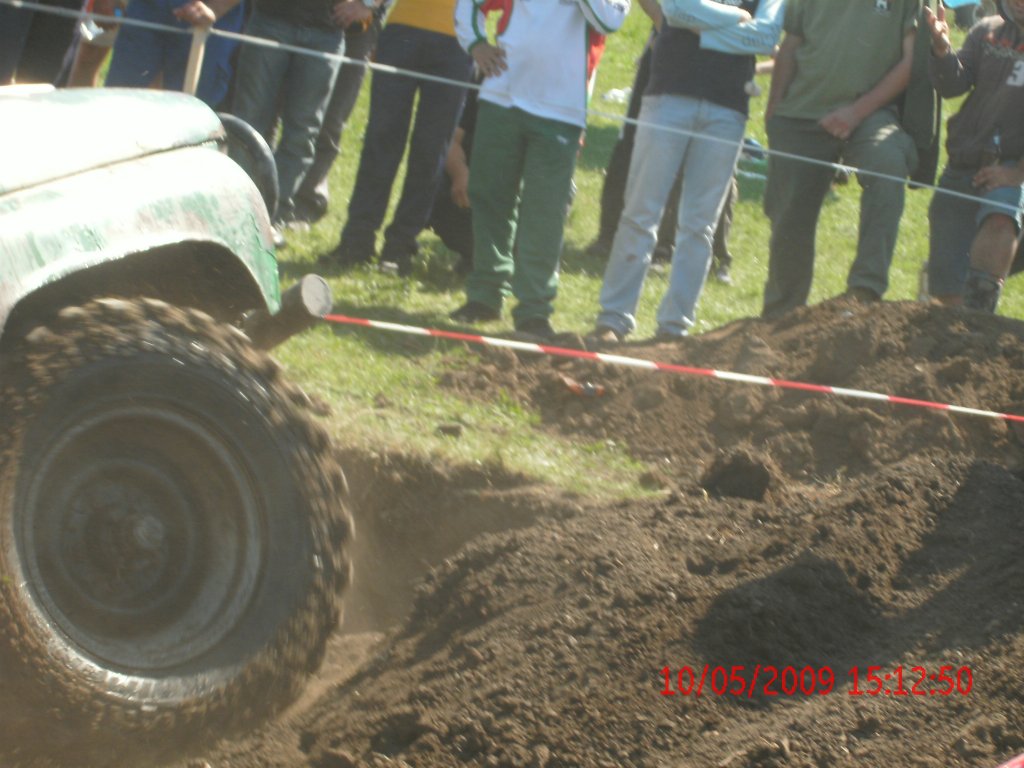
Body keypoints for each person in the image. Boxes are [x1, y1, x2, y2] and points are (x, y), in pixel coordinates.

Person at [590, 0, 783, 343]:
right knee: (640, 213)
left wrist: (701, 29)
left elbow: (765, 38)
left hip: (728, 109)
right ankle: (614, 319)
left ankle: (674, 329)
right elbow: (677, 9)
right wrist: (739, 18)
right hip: (669, 94)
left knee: (700, 226)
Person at [449, 0, 630, 340]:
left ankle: (534, 310)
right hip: (500, 96)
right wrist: (477, 45)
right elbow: (469, 4)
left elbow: (610, 21)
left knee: (544, 213)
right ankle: (484, 296)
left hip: (562, 110)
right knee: (489, 197)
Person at [761, 0, 922, 319]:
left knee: (888, 162)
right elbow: (791, 44)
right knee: (789, 212)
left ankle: (864, 290)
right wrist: (774, 109)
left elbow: (912, 60)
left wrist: (856, 112)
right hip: (802, 110)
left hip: (873, 112)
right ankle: (781, 313)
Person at [322, 0, 472, 276]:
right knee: (381, 141)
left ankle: (400, 248)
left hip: (459, 44)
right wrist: (369, 4)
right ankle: (356, 241)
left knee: (431, 151)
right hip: (404, 31)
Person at [924, 0, 1024, 312]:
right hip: (963, 162)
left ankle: (980, 316)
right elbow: (953, 85)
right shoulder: (987, 31)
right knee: (947, 293)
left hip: (1010, 167)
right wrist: (942, 51)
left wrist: (1018, 173)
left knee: (1000, 220)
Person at [230, 0, 347, 232]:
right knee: (248, 122)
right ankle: (235, 207)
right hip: (270, 19)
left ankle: (273, 216)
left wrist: (368, 3)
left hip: (327, 31)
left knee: (303, 131)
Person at [291, 0, 392, 225]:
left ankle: (306, 201)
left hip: (359, 23)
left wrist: (367, 5)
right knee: (283, 106)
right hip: (299, 13)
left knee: (332, 116)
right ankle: (267, 192)